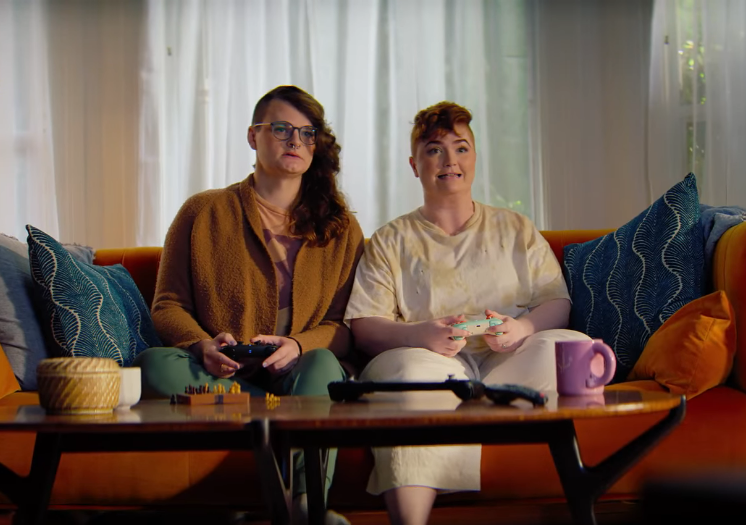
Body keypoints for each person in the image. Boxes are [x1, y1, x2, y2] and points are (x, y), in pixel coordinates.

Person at [344, 101, 592, 525]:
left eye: (460, 148)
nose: (449, 161)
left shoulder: (516, 228)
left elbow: (558, 302)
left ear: (475, 158)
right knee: (408, 376)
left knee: (573, 346)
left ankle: (482, 412)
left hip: (510, 360)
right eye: (434, 150)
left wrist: (521, 327)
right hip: (428, 361)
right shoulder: (390, 240)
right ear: (414, 165)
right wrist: (420, 334)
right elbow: (365, 327)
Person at [136, 85, 363, 525]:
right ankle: (280, 419)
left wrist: (298, 345)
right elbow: (167, 305)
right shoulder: (202, 211)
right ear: (252, 135)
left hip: (299, 371)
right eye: (281, 129)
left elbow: (344, 327)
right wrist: (202, 345)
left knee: (323, 366)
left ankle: (304, 504)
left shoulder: (342, 227)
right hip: (222, 372)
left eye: (307, 133)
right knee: (152, 366)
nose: (295, 140)